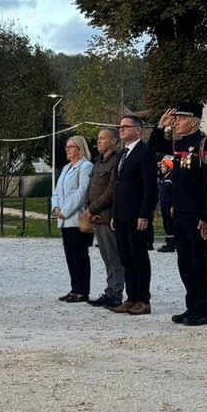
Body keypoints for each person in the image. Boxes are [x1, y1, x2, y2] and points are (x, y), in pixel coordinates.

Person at [151, 102, 207, 327]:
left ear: (195, 121)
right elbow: (155, 146)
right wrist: (161, 126)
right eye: (176, 118)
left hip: (197, 214)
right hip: (180, 212)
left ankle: (204, 309)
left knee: (199, 261)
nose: (177, 121)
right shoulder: (181, 144)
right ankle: (192, 305)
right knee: (184, 262)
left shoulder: (203, 144)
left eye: (181, 118)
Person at [108, 115, 157, 316]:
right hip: (121, 215)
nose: (121, 130)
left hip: (137, 215)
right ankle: (132, 297)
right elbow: (118, 185)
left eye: (126, 126)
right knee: (126, 258)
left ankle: (143, 300)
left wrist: (145, 214)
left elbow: (150, 187)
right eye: (120, 127)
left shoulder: (144, 153)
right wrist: (114, 214)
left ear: (138, 129)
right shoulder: (122, 154)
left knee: (139, 258)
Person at [84, 127, 124, 308]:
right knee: (106, 257)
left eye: (102, 138)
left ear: (113, 141)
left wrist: (92, 208)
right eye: (98, 138)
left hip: (107, 216)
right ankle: (109, 290)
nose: (98, 141)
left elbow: (111, 191)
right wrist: (88, 207)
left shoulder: (115, 161)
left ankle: (117, 292)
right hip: (97, 217)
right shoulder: (99, 163)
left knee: (114, 257)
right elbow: (91, 187)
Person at [51, 135, 94, 302]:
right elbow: (57, 190)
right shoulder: (66, 168)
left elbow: (82, 192)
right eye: (67, 147)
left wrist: (66, 210)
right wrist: (56, 207)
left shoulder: (85, 166)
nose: (67, 149)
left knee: (80, 254)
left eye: (71, 146)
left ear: (80, 149)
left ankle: (82, 290)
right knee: (70, 254)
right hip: (63, 219)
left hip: (76, 218)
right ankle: (74, 287)